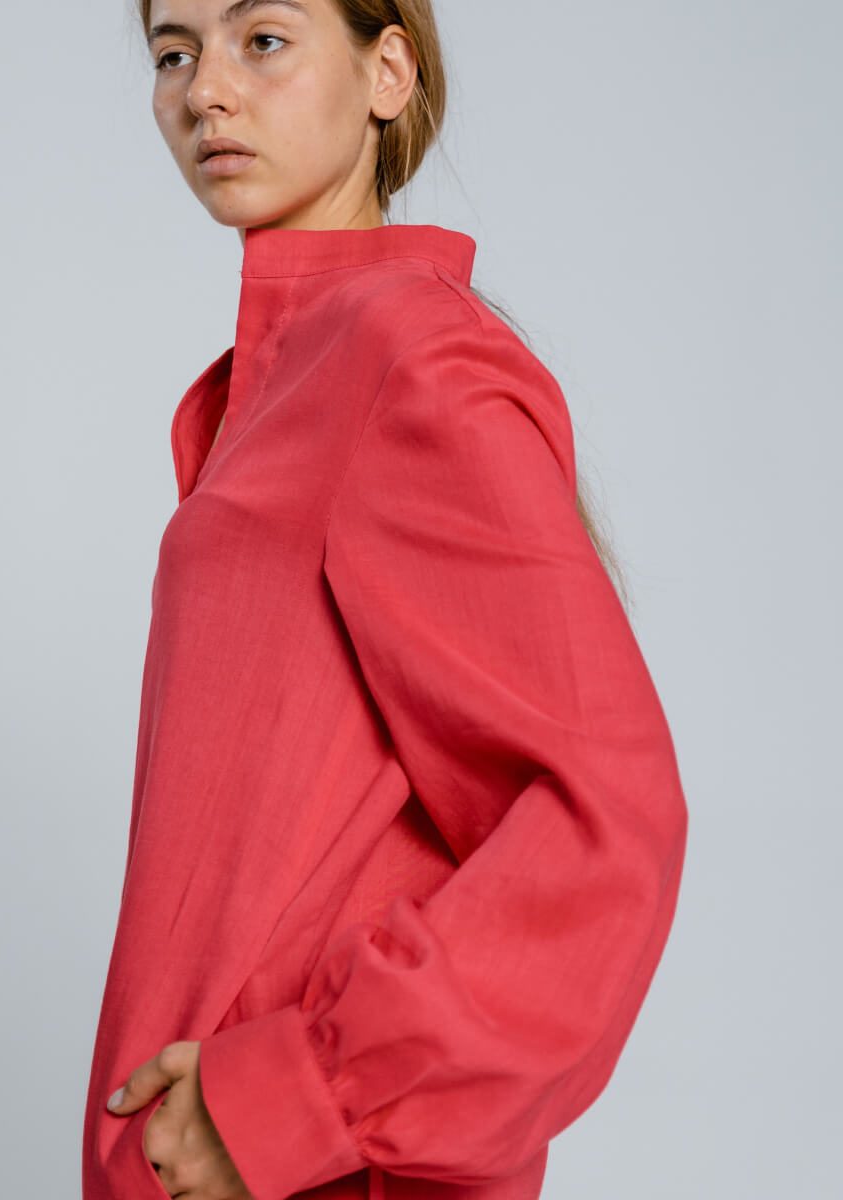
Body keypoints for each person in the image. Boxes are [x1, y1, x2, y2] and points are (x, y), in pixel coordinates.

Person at [81, 2, 689, 1198]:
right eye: (173, 52)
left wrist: (293, 1099)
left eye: (262, 38)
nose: (205, 91)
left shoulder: (403, 359)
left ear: (388, 71)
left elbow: (609, 822)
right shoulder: (289, 380)